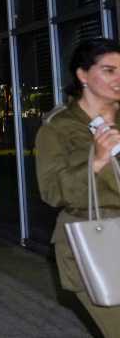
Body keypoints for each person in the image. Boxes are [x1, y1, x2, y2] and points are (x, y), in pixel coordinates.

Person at [35, 38, 120, 337]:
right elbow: (51, 191)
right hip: (95, 241)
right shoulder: (59, 127)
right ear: (83, 75)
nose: (118, 79)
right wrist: (95, 162)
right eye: (109, 70)